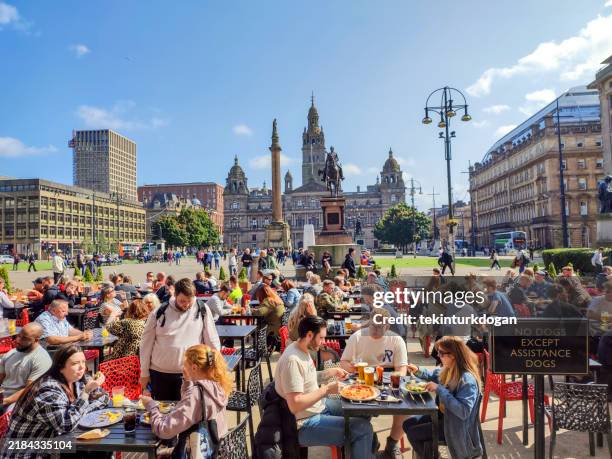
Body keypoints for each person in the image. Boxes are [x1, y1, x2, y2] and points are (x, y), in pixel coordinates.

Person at [275, 316, 374, 458]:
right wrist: (326, 389)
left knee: (363, 410)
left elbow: (305, 379)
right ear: (309, 335)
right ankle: (362, 446)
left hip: (318, 407)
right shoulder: (292, 360)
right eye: (321, 338)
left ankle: (361, 449)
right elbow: (295, 405)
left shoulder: (300, 348)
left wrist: (329, 372)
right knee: (363, 429)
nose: (323, 342)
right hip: (303, 423)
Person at [3, 345, 108, 458]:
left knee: (100, 448)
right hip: (27, 451)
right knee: (92, 451)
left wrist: (82, 408)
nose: (82, 367)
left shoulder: (77, 379)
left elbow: (104, 397)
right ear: (60, 368)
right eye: (75, 363)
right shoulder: (47, 390)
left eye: (83, 361)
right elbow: (66, 425)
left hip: (53, 444)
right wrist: (86, 393)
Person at [340, 308, 408, 458]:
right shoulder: (357, 337)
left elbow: (402, 370)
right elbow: (343, 361)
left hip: (388, 381)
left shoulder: (396, 340)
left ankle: (392, 443)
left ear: (388, 327)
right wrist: (351, 368)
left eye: (380, 327)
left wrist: (390, 379)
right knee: (357, 410)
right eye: (373, 326)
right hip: (361, 381)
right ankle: (369, 440)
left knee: (405, 409)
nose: (375, 330)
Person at [140, 278, 221, 401]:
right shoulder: (159, 312)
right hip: (160, 374)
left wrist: (213, 367)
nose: (186, 305)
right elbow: (146, 344)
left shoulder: (202, 309)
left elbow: (212, 341)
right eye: (182, 301)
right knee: (163, 415)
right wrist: (144, 373)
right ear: (175, 295)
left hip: (192, 374)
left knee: (189, 415)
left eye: (190, 301)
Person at [403, 336, 483, 459]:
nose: (438, 355)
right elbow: (434, 375)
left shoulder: (467, 380)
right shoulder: (449, 369)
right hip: (444, 417)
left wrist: (439, 389)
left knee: (414, 434)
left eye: (441, 353)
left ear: (454, 355)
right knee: (408, 424)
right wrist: (418, 370)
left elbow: (463, 411)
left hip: (455, 427)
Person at [140, 344, 230, 450]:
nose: (183, 367)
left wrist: (151, 406)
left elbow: (164, 430)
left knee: (161, 454)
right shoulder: (217, 385)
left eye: (185, 363)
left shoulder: (196, 395)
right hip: (218, 449)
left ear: (194, 367)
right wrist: (187, 382)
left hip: (200, 453)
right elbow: (193, 407)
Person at [0, 323, 52, 407]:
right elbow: (1, 377)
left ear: (36, 340)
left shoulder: (41, 359)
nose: (18, 340)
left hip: (20, 401)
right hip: (3, 396)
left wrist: (5, 401)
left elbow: (30, 390)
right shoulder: (11, 353)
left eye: (24, 338)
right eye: (19, 336)